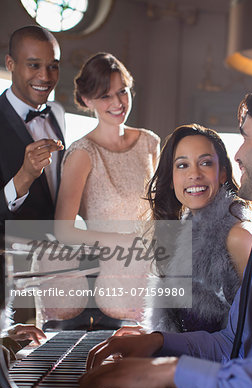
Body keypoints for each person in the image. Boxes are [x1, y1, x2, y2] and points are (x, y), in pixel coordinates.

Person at [77, 82, 252, 388]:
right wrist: (157, 344)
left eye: (244, 138)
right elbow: (232, 344)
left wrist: (175, 372)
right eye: (182, 165)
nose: (238, 153)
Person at [48, 52, 160, 326]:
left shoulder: (150, 143)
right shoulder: (83, 153)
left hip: (155, 272)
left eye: (122, 91)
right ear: (88, 101)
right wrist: (122, 241)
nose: (118, 103)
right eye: (105, 96)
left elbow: (162, 210)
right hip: (110, 280)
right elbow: (63, 230)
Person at [118, 124, 252, 335]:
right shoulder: (181, 233)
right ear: (171, 180)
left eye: (206, 163)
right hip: (184, 362)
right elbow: (183, 328)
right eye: (182, 165)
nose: (194, 174)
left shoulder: (238, 235)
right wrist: (151, 337)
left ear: (222, 174)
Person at [0, 25, 65, 232]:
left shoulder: (57, 113)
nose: (45, 77)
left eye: (53, 66)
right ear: (10, 63)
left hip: (55, 253)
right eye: (34, 65)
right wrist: (25, 176)